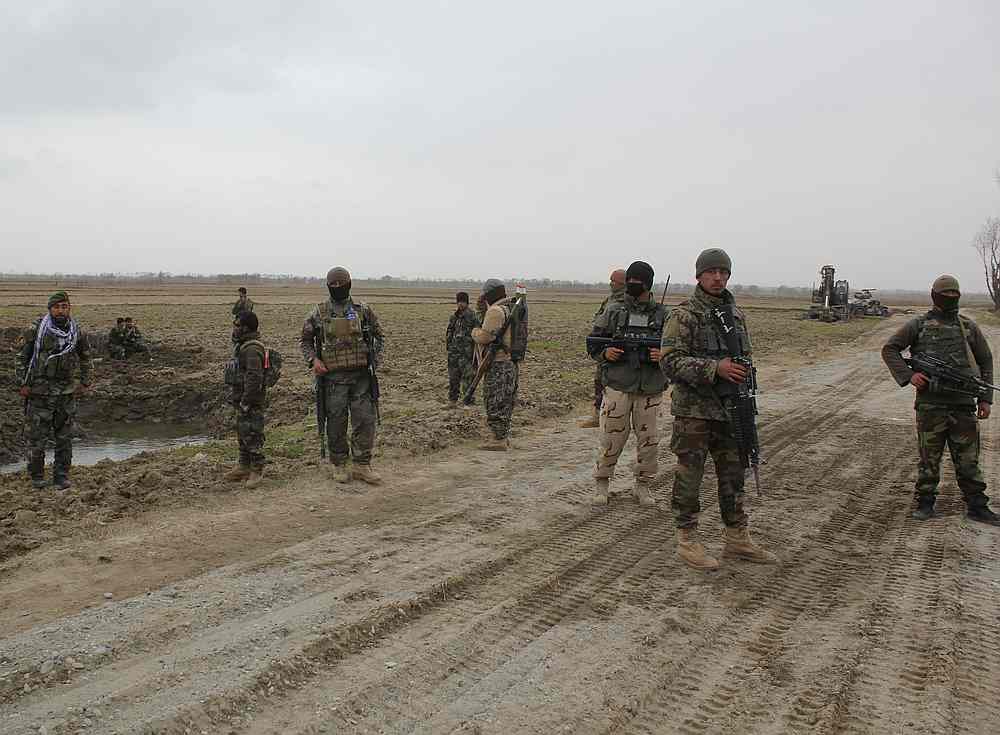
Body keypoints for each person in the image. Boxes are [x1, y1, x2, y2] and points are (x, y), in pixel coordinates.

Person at [660, 248, 777, 570]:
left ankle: (737, 538)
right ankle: (687, 539)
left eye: (723, 272)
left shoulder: (735, 314)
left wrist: (745, 383)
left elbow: (745, 359)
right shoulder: (684, 314)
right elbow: (670, 362)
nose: (718, 277)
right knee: (689, 477)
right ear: (698, 275)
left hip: (732, 410)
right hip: (695, 411)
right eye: (711, 271)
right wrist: (715, 369)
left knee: (733, 475)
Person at [881, 275, 1000, 525]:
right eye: (945, 296)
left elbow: (986, 360)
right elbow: (890, 349)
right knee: (929, 458)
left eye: (954, 296)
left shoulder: (968, 327)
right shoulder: (918, 325)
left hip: (963, 405)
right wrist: (909, 376)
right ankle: (925, 503)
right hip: (930, 405)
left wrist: (985, 399)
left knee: (968, 460)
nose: (950, 300)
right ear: (934, 296)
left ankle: (977, 506)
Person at [587, 261, 667, 506]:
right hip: (618, 385)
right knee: (611, 438)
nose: (632, 285)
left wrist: (664, 355)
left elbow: (680, 350)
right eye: (629, 280)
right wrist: (606, 353)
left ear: (648, 284)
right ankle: (602, 483)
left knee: (649, 441)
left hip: (650, 388)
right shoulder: (614, 311)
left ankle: (642, 486)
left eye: (637, 281)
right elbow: (593, 343)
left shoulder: (665, 315)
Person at [300, 267, 385, 484]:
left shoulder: (363, 310)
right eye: (333, 284)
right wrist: (314, 361)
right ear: (328, 286)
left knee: (365, 422)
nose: (337, 287)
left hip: (361, 379)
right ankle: (339, 465)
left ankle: (362, 465)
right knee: (336, 424)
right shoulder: (318, 312)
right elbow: (306, 341)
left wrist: (375, 360)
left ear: (349, 284)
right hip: (333, 381)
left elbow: (379, 336)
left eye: (341, 283)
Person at [14, 291, 92, 489]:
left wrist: (85, 382)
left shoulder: (77, 331)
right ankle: (37, 476)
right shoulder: (35, 329)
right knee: (37, 438)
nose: (60, 310)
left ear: (69, 308)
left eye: (64, 306)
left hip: (66, 393)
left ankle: (61, 476)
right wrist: (22, 383)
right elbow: (21, 358)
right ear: (50, 309)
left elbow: (85, 358)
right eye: (56, 307)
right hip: (39, 392)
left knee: (64, 438)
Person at [472, 279, 520, 450]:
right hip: (510, 364)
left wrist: (474, 333)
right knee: (506, 400)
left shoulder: (495, 311)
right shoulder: (509, 308)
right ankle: (503, 437)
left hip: (498, 364)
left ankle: (498, 440)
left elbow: (486, 337)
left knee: (494, 400)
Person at [579, 268, 627, 428]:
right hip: (604, 344)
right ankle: (597, 413)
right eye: (611, 280)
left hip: (617, 344)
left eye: (615, 281)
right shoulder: (610, 300)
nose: (611, 284)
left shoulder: (625, 301)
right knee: (599, 379)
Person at [225, 312, 267, 487]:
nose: (234, 328)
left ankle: (257, 470)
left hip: (250, 401)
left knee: (252, 434)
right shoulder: (242, 346)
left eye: (237, 324)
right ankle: (244, 465)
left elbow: (254, 377)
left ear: (245, 328)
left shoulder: (252, 349)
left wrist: (246, 401)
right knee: (242, 433)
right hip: (241, 398)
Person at [446, 291, 480, 406]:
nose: (460, 304)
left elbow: (478, 333)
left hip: (467, 355)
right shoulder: (454, 317)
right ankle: (452, 400)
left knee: (468, 378)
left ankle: (468, 401)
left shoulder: (472, 316)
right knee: (453, 378)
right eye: (459, 302)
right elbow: (449, 332)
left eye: (463, 302)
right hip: (454, 354)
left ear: (467, 302)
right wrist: (449, 347)